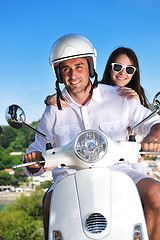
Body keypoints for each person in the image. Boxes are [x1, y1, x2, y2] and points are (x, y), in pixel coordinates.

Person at [23, 34, 160, 240]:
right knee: (50, 203)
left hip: (119, 172)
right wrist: (33, 160)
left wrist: (154, 137)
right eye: (65, 69)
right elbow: (38, 145)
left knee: (156, 194)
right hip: (68, 177)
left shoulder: (119, 97)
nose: (73, 74)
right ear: (58, 74)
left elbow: (153, 122)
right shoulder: (53, 109)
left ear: (90, 66)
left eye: (78, 66)